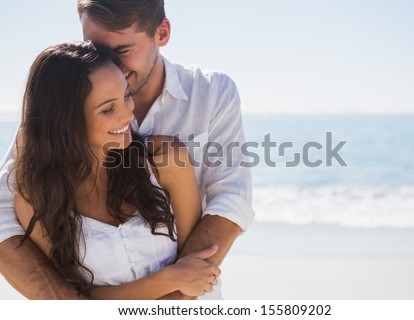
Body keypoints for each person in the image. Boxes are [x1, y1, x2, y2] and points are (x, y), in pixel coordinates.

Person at [0, 0, 254, 300]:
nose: (111, 65)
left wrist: (176, 299)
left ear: (162, 33)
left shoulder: (211, 93)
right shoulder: (61, 115)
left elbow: (230, 199)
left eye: (121, 51)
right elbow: (6, 207)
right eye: (95, 49)